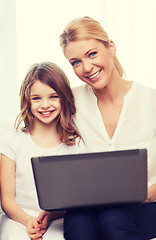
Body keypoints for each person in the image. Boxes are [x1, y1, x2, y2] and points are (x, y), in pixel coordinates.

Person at [60, 16, 156, 240]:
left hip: (148, 203)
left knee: (114, 219)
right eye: (75, 62)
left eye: (92, 54)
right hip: (94, 203)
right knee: (77, 221)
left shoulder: (151, 100)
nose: (86, 68)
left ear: (110, 47)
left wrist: (144, 196)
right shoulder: (70, 101)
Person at [0, 62, 84, 240]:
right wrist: (28, 220)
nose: (45, 105)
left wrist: (49, 215)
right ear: (27, 101)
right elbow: (7, 200)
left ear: (64, 98)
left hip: (58, 219)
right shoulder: (12, 141)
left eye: (53, 96)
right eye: (36, 98)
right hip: (17, 219)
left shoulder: (76, 144)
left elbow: (76, 198)